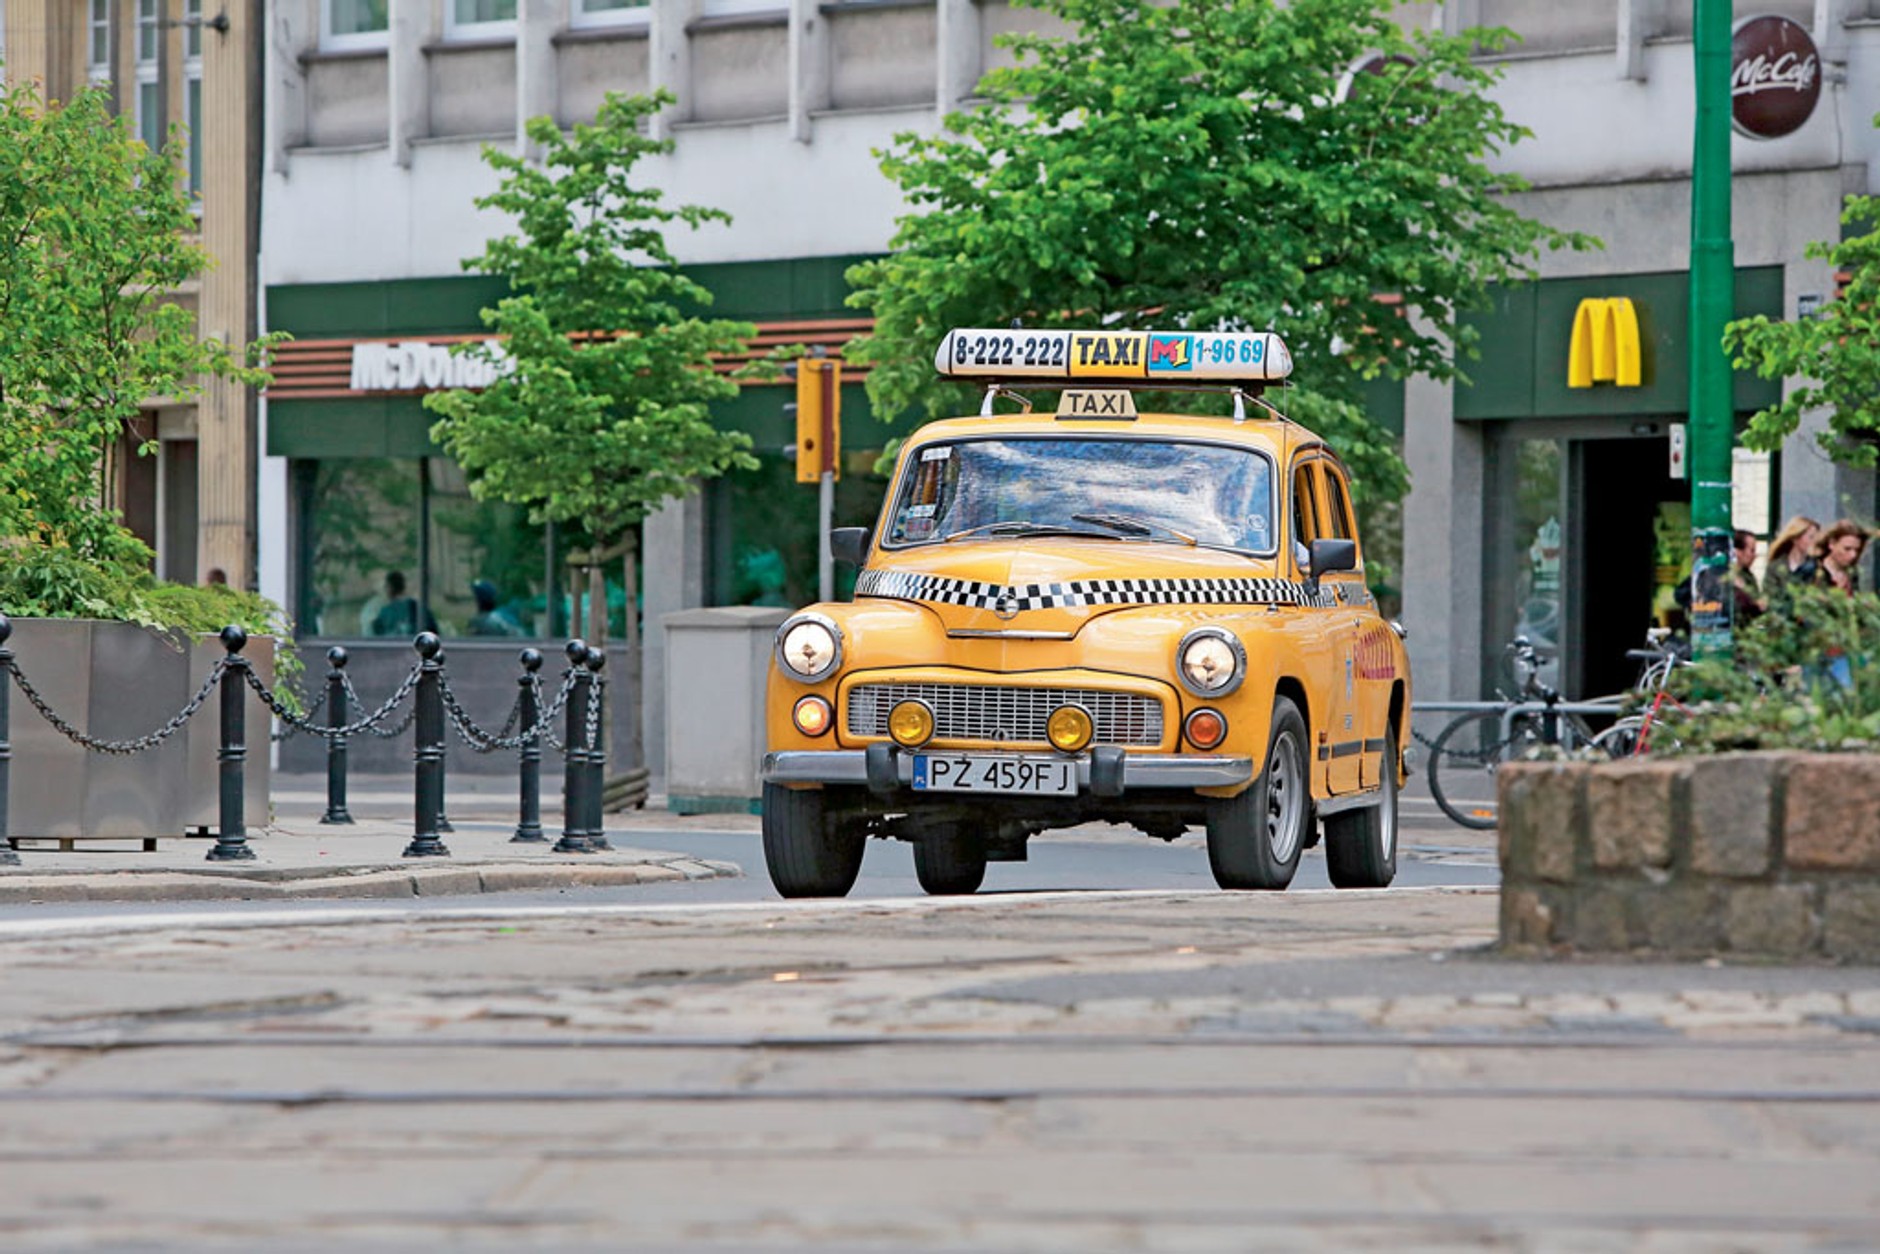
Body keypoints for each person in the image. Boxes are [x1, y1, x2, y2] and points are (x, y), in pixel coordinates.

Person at [1760, 514, 1820, 606]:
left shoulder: (1816, 567)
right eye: (1810, 537)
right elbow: (1770, 597)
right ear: (1795, 538)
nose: (1814, 542)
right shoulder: (1776, 567)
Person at [1811, 519, 1869, 596]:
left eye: (1857, 550)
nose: (1853, 555)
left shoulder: (1852, 573)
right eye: (1847, 549)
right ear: (1832, 544)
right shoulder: (1813, 569)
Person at [370, 571, 436, 637]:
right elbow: (433, 633)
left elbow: (377, 636)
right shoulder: (418, 608)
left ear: (389, 587)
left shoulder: (386, 612)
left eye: (386, 587)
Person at [1730, 529, 1764, 626]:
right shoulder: (1721, 576)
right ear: (1738, 552)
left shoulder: (1749, 577)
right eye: (1751, 550)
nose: (1754, 556)